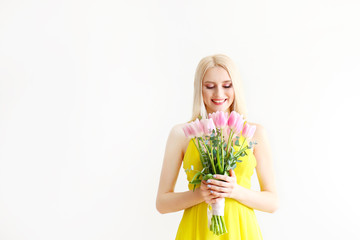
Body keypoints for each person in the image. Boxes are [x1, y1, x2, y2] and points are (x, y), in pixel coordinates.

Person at [156, 54, 279, 239]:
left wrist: (235, 191)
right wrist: (199, 195)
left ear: (236, 87)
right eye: (210, 86)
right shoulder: (182, 134)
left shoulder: (254, 133)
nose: (219, 94)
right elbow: (162, 203)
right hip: (197, 231)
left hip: (241, 231)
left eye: (227, 85)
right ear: (200, 89)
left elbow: (272, 202)